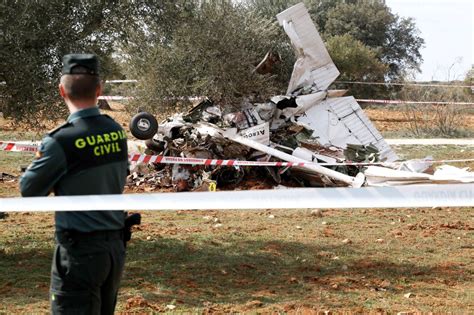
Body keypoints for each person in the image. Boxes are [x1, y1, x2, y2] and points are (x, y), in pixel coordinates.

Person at [20, 54, 129, 314]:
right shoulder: (116, 131)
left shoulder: (60, 141)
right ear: (99, 90)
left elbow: (29, 190)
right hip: (114, 248)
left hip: (79, 253)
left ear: (61, 91)